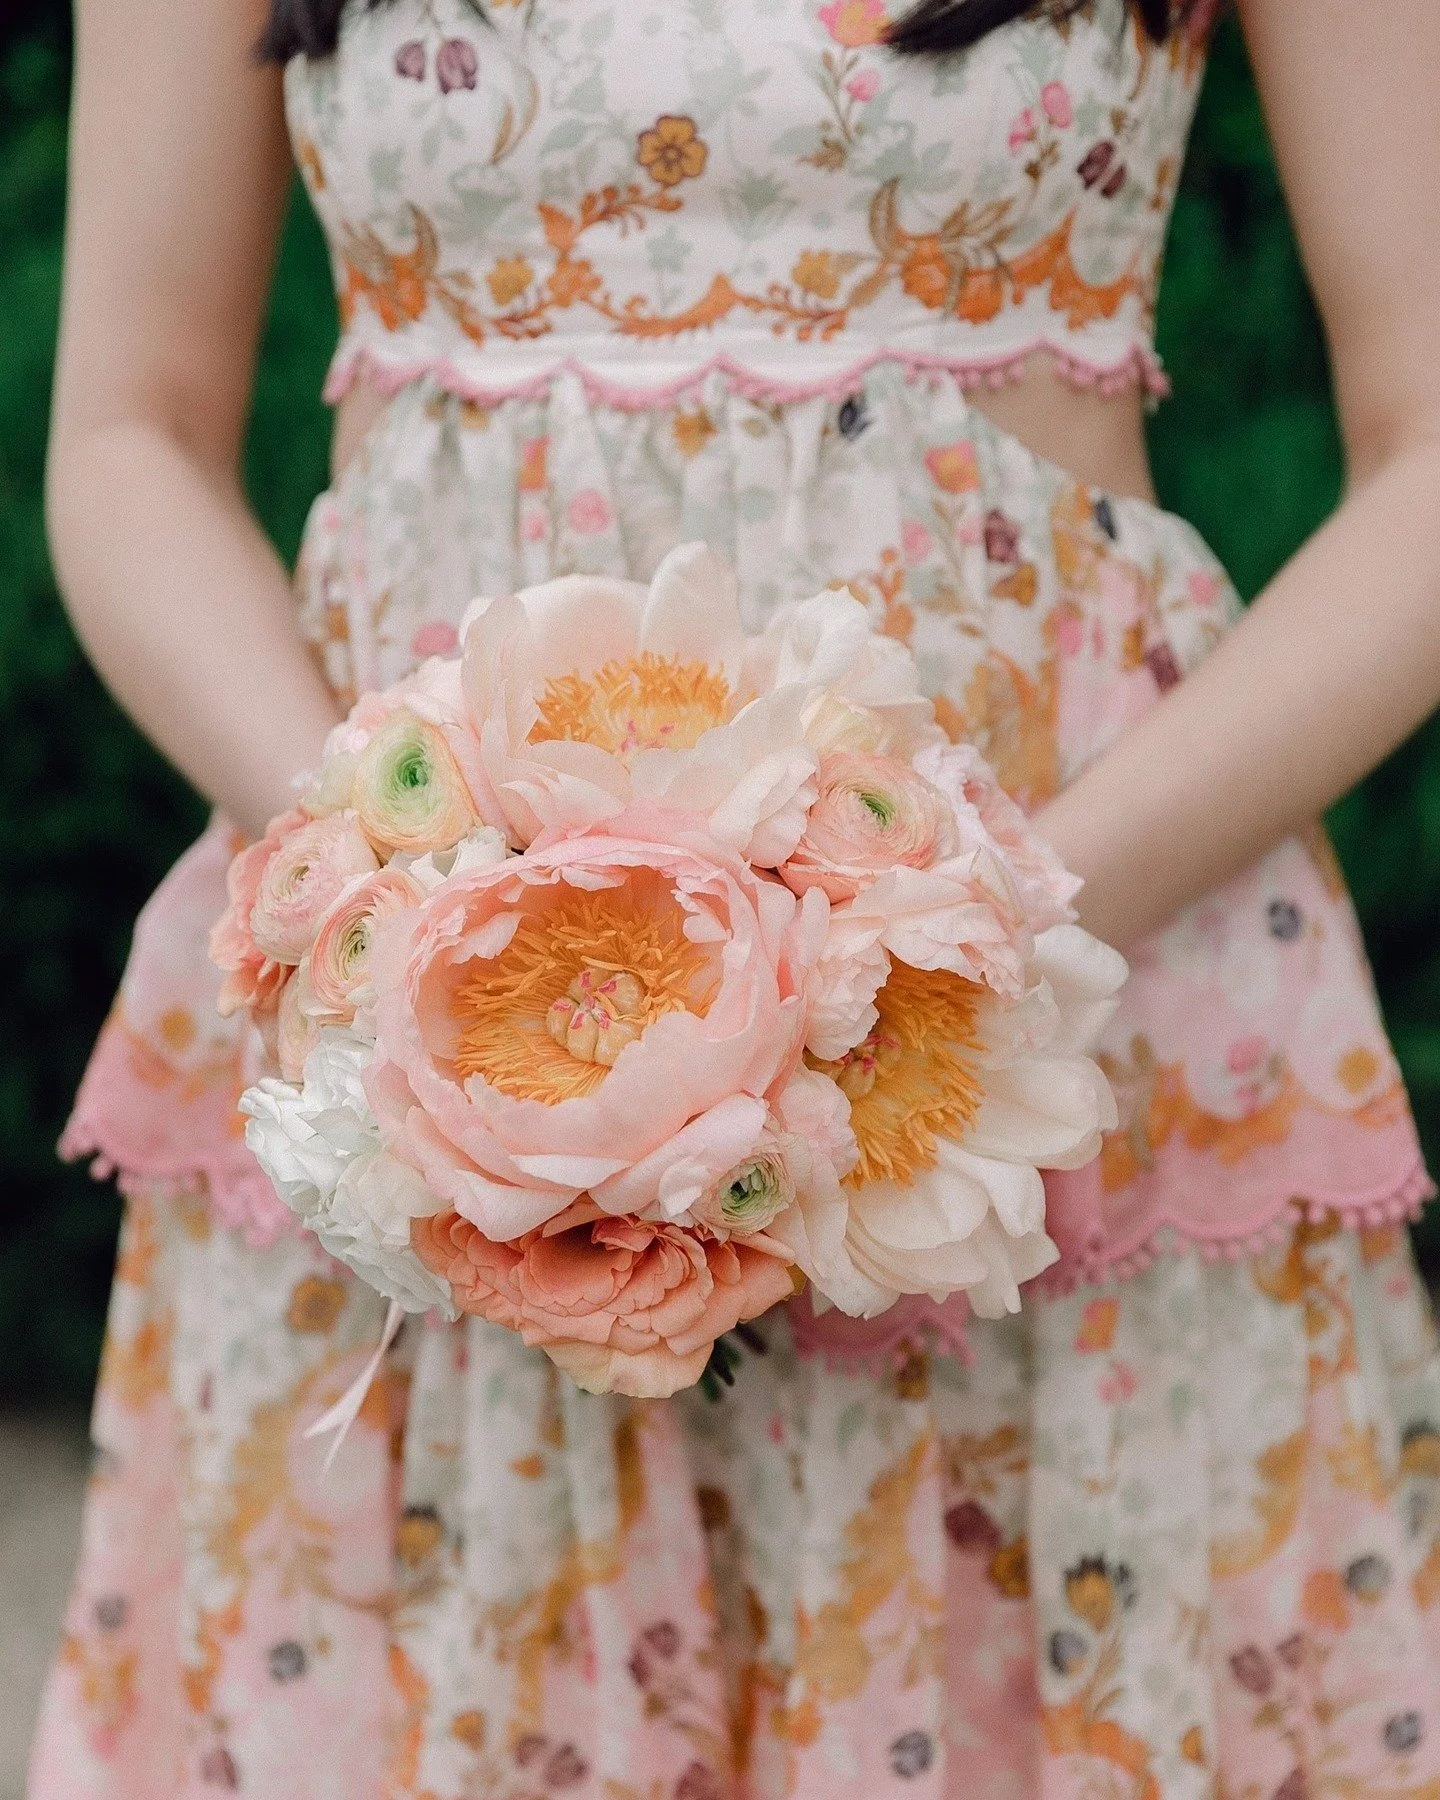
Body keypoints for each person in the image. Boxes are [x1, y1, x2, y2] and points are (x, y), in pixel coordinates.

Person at [29, 0, 1440, 1792]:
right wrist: (405, 918)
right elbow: (128, 433)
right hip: (412, 1085)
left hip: (1060, 1053)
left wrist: (963, 941)